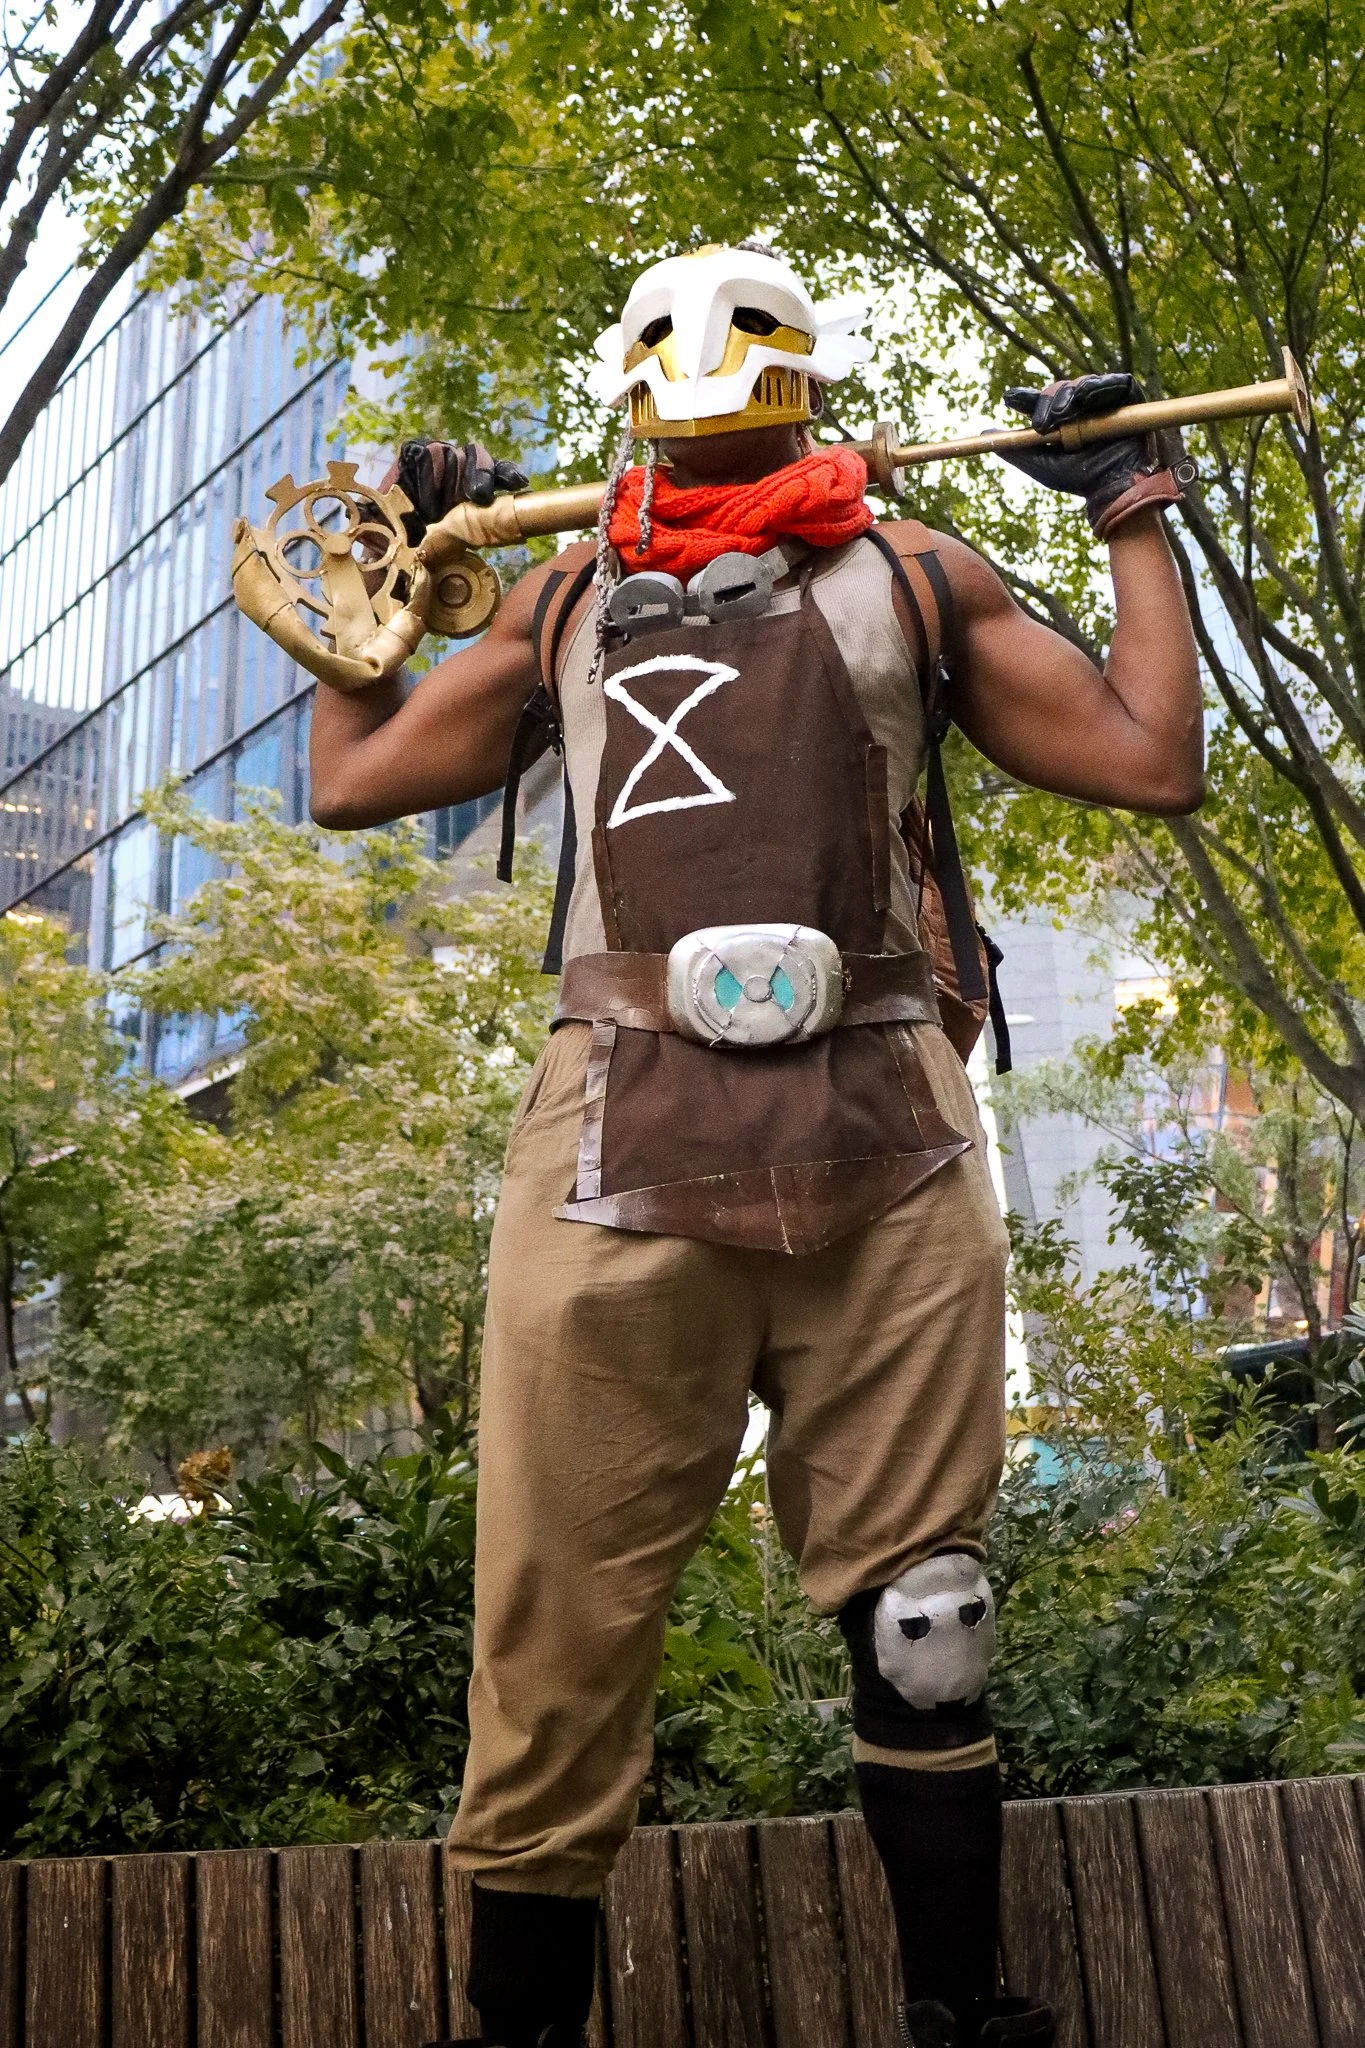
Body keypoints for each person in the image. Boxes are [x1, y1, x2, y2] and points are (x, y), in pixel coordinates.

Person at [308, 242, 1203, 2048]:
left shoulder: (916, 571)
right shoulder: (561, 594)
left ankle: (960, 2013)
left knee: (929, 1616)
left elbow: (1149, 759)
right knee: (551, 1653)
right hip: (612, 1145)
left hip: (888, 1139)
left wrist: (1131, 512)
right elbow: (351, 778)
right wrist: (373, 568)